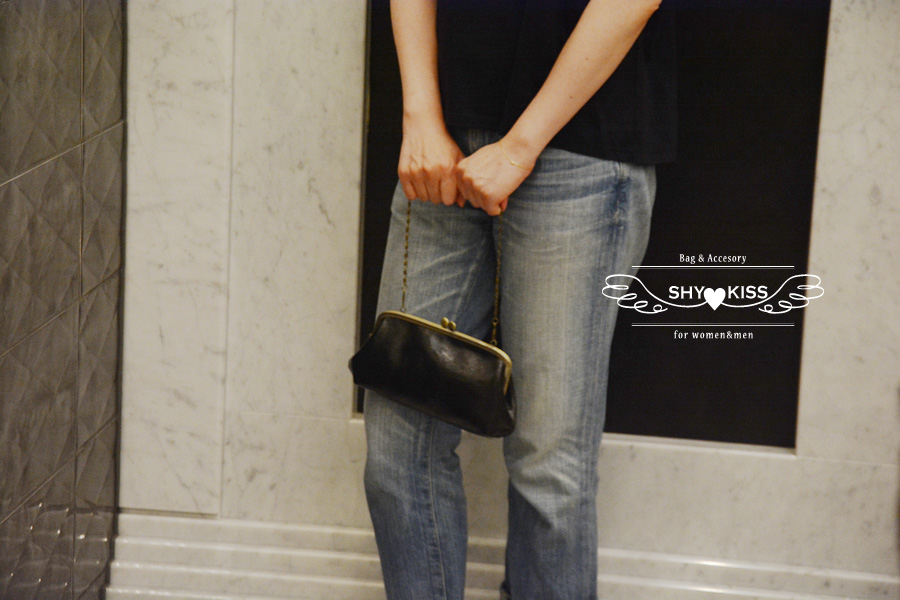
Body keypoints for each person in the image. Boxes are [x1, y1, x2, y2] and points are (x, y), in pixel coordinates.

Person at [363, 1, 677, 598]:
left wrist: (519, 147)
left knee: (547, 465)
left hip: (582, 146)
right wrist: (420, 116)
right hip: (442, 145)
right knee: (398, 446)